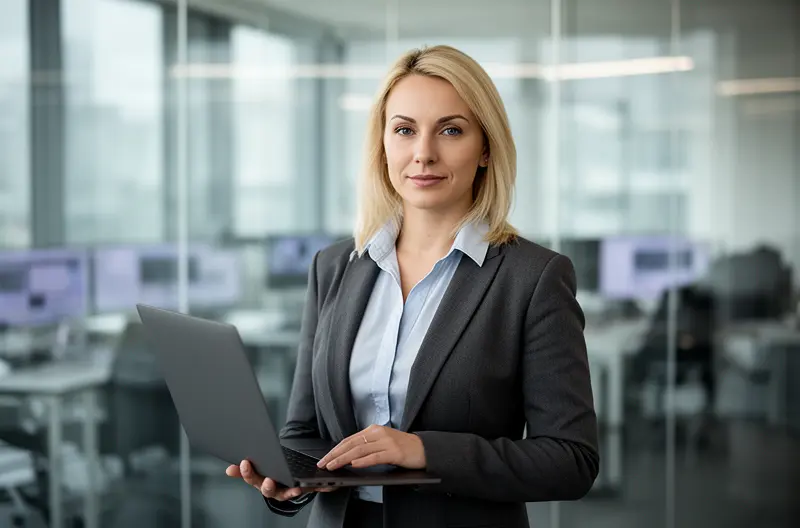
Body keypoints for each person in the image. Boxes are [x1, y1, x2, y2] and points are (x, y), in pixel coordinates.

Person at [226, 44, 599, 528]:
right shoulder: (335, 266)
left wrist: (424, 450)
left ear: (486, 148)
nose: (423, 153)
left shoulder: (533, 278)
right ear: (383, 145)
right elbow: (304, 430)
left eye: (451, 130)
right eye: (404, 130)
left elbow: (571, 461)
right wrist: (286, 478)